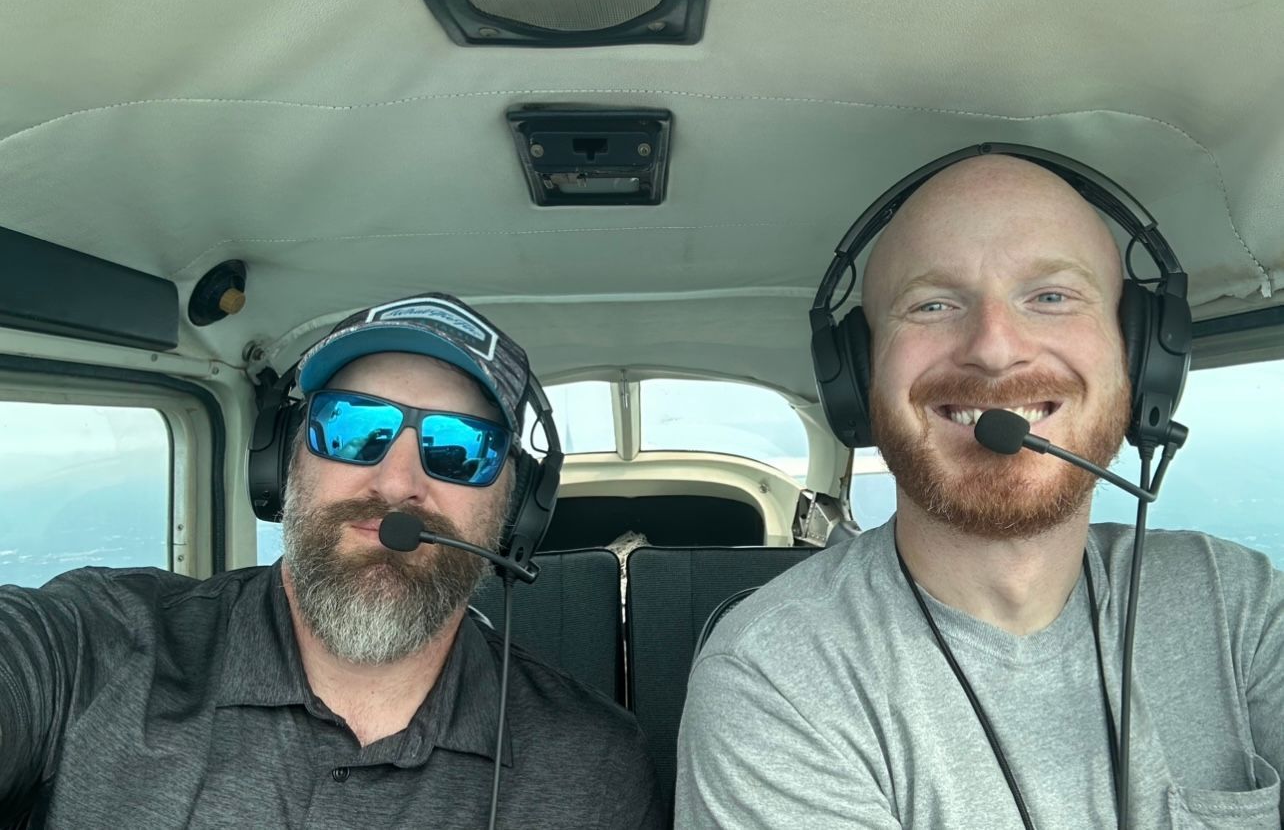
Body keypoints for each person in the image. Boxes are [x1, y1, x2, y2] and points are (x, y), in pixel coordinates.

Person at [675, 155, 1284, 828]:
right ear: (858, 379)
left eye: (1051, 296)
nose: (994, 348)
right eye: (933, 304)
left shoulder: (1240, 608)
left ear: (1143, 359)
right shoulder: (778, 675)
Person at [1, 291, 663, 829]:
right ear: (282, 460)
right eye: (351, 427)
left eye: (459, 447)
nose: (396, 480)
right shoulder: (96, 649)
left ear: (515, 510)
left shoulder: (592, 765)